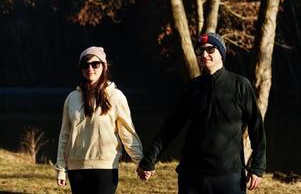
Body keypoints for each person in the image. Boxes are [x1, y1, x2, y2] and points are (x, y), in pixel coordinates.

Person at [137, 32, 266, 194]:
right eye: (200, 50)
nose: (204, 54)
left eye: (210, 49)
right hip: (192, 177)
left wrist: (258, 167)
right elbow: (170, 128)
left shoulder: (240, 85)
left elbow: (257, 129)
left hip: (229, 178)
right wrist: (149, 158)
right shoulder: (192, 88)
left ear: (221, 53)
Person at [55, 46, 143, 194]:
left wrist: (140, 162)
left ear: (104, 66)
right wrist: (61, 168)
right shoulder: (72, 98)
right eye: (85, 65)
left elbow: (128, 133)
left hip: (105, 169)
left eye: (95, 64)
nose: (90, 68)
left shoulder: (116, 96)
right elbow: (64, 135)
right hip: (76, 170)